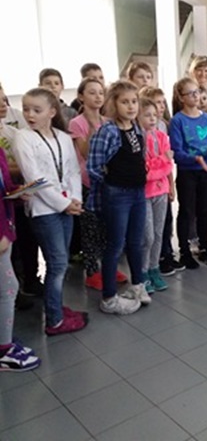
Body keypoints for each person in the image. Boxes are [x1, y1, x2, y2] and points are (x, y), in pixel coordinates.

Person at [14, 88, 87, 335]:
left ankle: (57, 307)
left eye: (37, 110)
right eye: (26, 109)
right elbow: (34, 179)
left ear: (52, 112)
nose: (30, 115)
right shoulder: (23, 137)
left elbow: (73, 171)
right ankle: (54, 319)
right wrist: (63, 204)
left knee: (60, 262)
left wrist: (75, 199)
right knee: (57, 263)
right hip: (44, 210)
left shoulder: (63, 137)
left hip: (67, 206)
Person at [87, 81, 148, 314]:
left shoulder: (136, 127)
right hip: (117, 195)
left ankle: (137, 285)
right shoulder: (108, 131)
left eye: (134, 101)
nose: (131, 106)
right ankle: (109, 297)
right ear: (114, 104)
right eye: (125, 102)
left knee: (136, 241)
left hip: (138, 192)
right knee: (115, 245)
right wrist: (112, 182)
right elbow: (93, 166)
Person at [68, 77, 128, 290]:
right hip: (87, 181)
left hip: (108, 181)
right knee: (90, 229)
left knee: (107, 227)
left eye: (101, 93)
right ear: (81, 97)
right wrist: (94, 129)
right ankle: (92, 271)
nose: (97, 97)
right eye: (92, 92)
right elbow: (86, 152)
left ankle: (109, 267)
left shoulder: (108, 121)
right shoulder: (77, 123)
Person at [169, 77, 207, 269]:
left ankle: (204, 247)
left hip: (206, 172)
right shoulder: (177, 121)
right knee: (187, 211)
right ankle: (184, 251)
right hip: (188, 173)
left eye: (197, 92)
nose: (195, 96)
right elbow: (177, 152)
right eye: (190, 93)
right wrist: (197, 158)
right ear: (181, 97)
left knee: (204, 211)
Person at [0, 146, 40, 371]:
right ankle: (3, 350)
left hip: (6, 228)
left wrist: (18, 192)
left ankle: (4, 340)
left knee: (8, 288)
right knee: (8, 289)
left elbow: (4, 189)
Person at [0, 83, 40, 310]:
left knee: (26, 240)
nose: (3, 105)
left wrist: (18, 191)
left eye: (4, 99)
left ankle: (28, 282)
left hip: (11, 207)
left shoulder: (13, 133)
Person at [138, 97, 173, 292]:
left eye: (154, 115)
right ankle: (142, 271)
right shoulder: (138, 140)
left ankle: (154, 268)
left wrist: (157, 165)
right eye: (147, 115)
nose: (152, 118)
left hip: (161, 191)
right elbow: (143, 171)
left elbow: (168, 166)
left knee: (159, 233)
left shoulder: (162, 137)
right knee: (147, 236)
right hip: (144, 194)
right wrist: (161, 160)